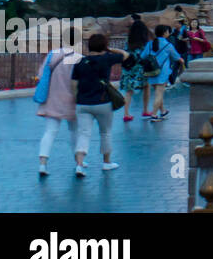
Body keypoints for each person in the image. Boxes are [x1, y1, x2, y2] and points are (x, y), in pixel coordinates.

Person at [70, 32, 135, 175]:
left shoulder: (80, 62)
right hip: (103, 101)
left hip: (83, 102)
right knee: (105, 133)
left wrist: (77, 99)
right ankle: (106, 162)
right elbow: (127, 56)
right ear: (104, 46)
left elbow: (73, 84)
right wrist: (110, 50)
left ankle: (79, 164)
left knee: (83, 133)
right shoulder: (107, 58)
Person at [34, 26, 81, 175]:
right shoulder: (79, 58)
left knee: (50, 132)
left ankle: (43, 164)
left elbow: (41, 76)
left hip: (52, 99)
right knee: (75, 132)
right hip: (72, 100)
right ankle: (78, 161)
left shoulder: (52, 55)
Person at [138, 25, 183, 120]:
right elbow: (176, 57)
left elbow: (142, 56)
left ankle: (163, 111)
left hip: (151, 71)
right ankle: (154, 114)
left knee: (158, 93)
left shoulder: (150, 44)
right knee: (159, 94)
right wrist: (182, 61)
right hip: (162, 72)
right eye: (167, 31)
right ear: (165, 33)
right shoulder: (168, 45)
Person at [120, 15, 151, 121]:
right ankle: (145, 110)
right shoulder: (145, 43)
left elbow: (125, 53)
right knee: (147, 87)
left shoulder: (128, 42)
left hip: (129, 68)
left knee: (129, 91)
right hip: (141, 69)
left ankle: (126, 113)